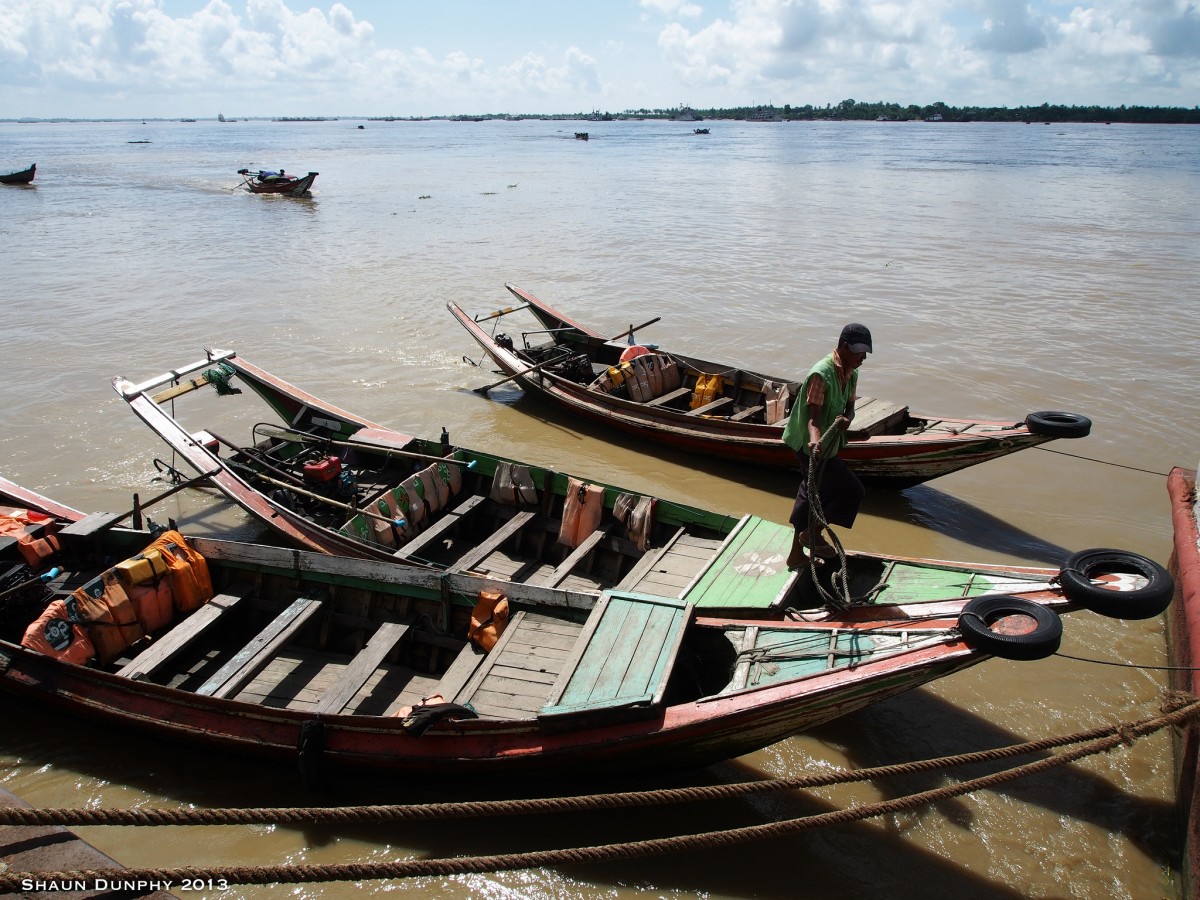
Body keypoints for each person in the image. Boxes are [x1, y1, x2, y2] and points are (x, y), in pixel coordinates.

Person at [782, 322, 872, 567]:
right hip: (807, 442)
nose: (863, 357)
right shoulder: (820, 374)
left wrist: (847, 419)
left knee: (813, 492)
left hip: (829, 442)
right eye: (859, 352)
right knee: (852, 491)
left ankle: (800, 547)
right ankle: (810, 534)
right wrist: (814, 442)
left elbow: (850, 408)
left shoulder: (851, 373)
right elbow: (813, 418)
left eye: (865, 353)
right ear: (844, 347)